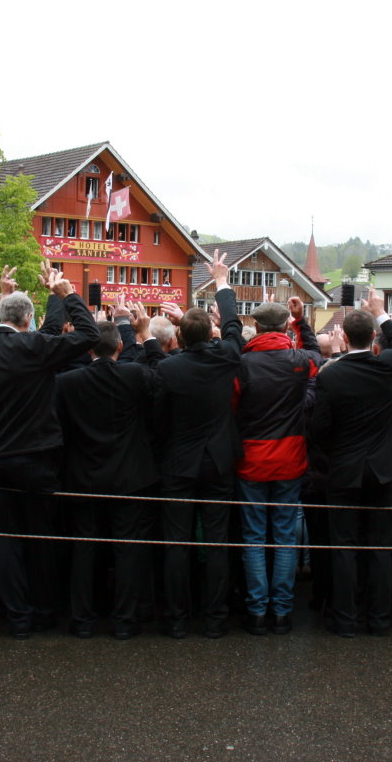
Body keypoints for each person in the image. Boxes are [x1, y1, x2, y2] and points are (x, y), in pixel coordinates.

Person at [0, 260, 99, 638]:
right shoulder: (33, 345)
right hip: (39, 455)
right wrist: (67, 296)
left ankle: (17, 617)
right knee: (41, 536)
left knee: (4, 539)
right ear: (27, 320)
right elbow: (88, 336)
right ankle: (43, 611)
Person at [309, 288, 392, 637]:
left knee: (344, 548)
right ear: (372, 337)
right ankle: (379, 619)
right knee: (381, 548)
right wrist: (381, 312)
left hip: (344, 468)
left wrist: (333, 452)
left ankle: (345, 619)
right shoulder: (389, 367)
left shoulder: (330, 375)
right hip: (382, 469)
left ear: (345, 337)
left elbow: (319, 427)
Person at [154, 251, 243, 639]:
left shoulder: (167, 367)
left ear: (178, 337)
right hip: (219, 460)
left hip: (179, 461)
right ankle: (216, 620)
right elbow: (236, 329)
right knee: (218, 542)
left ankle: (176, 619)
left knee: (177, 544)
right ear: (211, 335)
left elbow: (158, 420)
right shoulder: (225, 356)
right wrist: (222, 283)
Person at [55, 311, 159, 640]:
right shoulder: (134, 375)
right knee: (128, 549)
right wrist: (144, 336)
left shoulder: (67, 382)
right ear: (118, 346)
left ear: (89, 350)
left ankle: (83, 620)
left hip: (84, 475)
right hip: (130, 476)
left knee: (84, 549)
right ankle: (125, 620)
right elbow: (160, 378)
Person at [233, 294, 320, 635]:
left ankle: (256, 611)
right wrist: (302, 322)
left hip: (252, 458)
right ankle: (282, 612)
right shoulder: (299, 359)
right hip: (290, 457)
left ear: (255, 326)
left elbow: (234, 406)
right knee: (284, 536)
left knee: (254, 536)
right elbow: (316, 357)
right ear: (285, 326)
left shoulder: (243, 364)